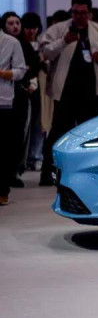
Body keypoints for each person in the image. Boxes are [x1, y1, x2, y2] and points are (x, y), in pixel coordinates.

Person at [39, 0, 98, 185]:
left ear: (89, 13)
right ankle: (48, 173)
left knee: (90, 134)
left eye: (82, 13)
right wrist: (63, 41)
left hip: (90, 92)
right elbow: (45, 52)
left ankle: (88, 174)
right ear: (71, 12)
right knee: (57, 133)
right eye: (75, 12)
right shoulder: (59, 29)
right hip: (65, 91)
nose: (79, 16)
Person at [1, 12, 40, 188]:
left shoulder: (23, 45)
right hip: (5, 96)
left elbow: (32, 68)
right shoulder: (5, 44)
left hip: (21, 96)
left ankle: (13, 171)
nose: (15, 26)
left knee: (18, 136)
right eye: (10, 23)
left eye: (17, 22)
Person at [0, 26, 26, 205]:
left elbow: (20, 71)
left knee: (4, 149)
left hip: (3, 101)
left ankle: (2, 189)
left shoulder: (11, 42)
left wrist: (4, 73)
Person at [21, 12, 45, 172]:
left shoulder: (42, 44)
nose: (31, 31)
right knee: (27, 124)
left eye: (34, 28)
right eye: (28, 28)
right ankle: (26, 157)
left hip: (41, 87)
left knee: (39, 123)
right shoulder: (20, 45)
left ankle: (35, 156)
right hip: (27, 86)